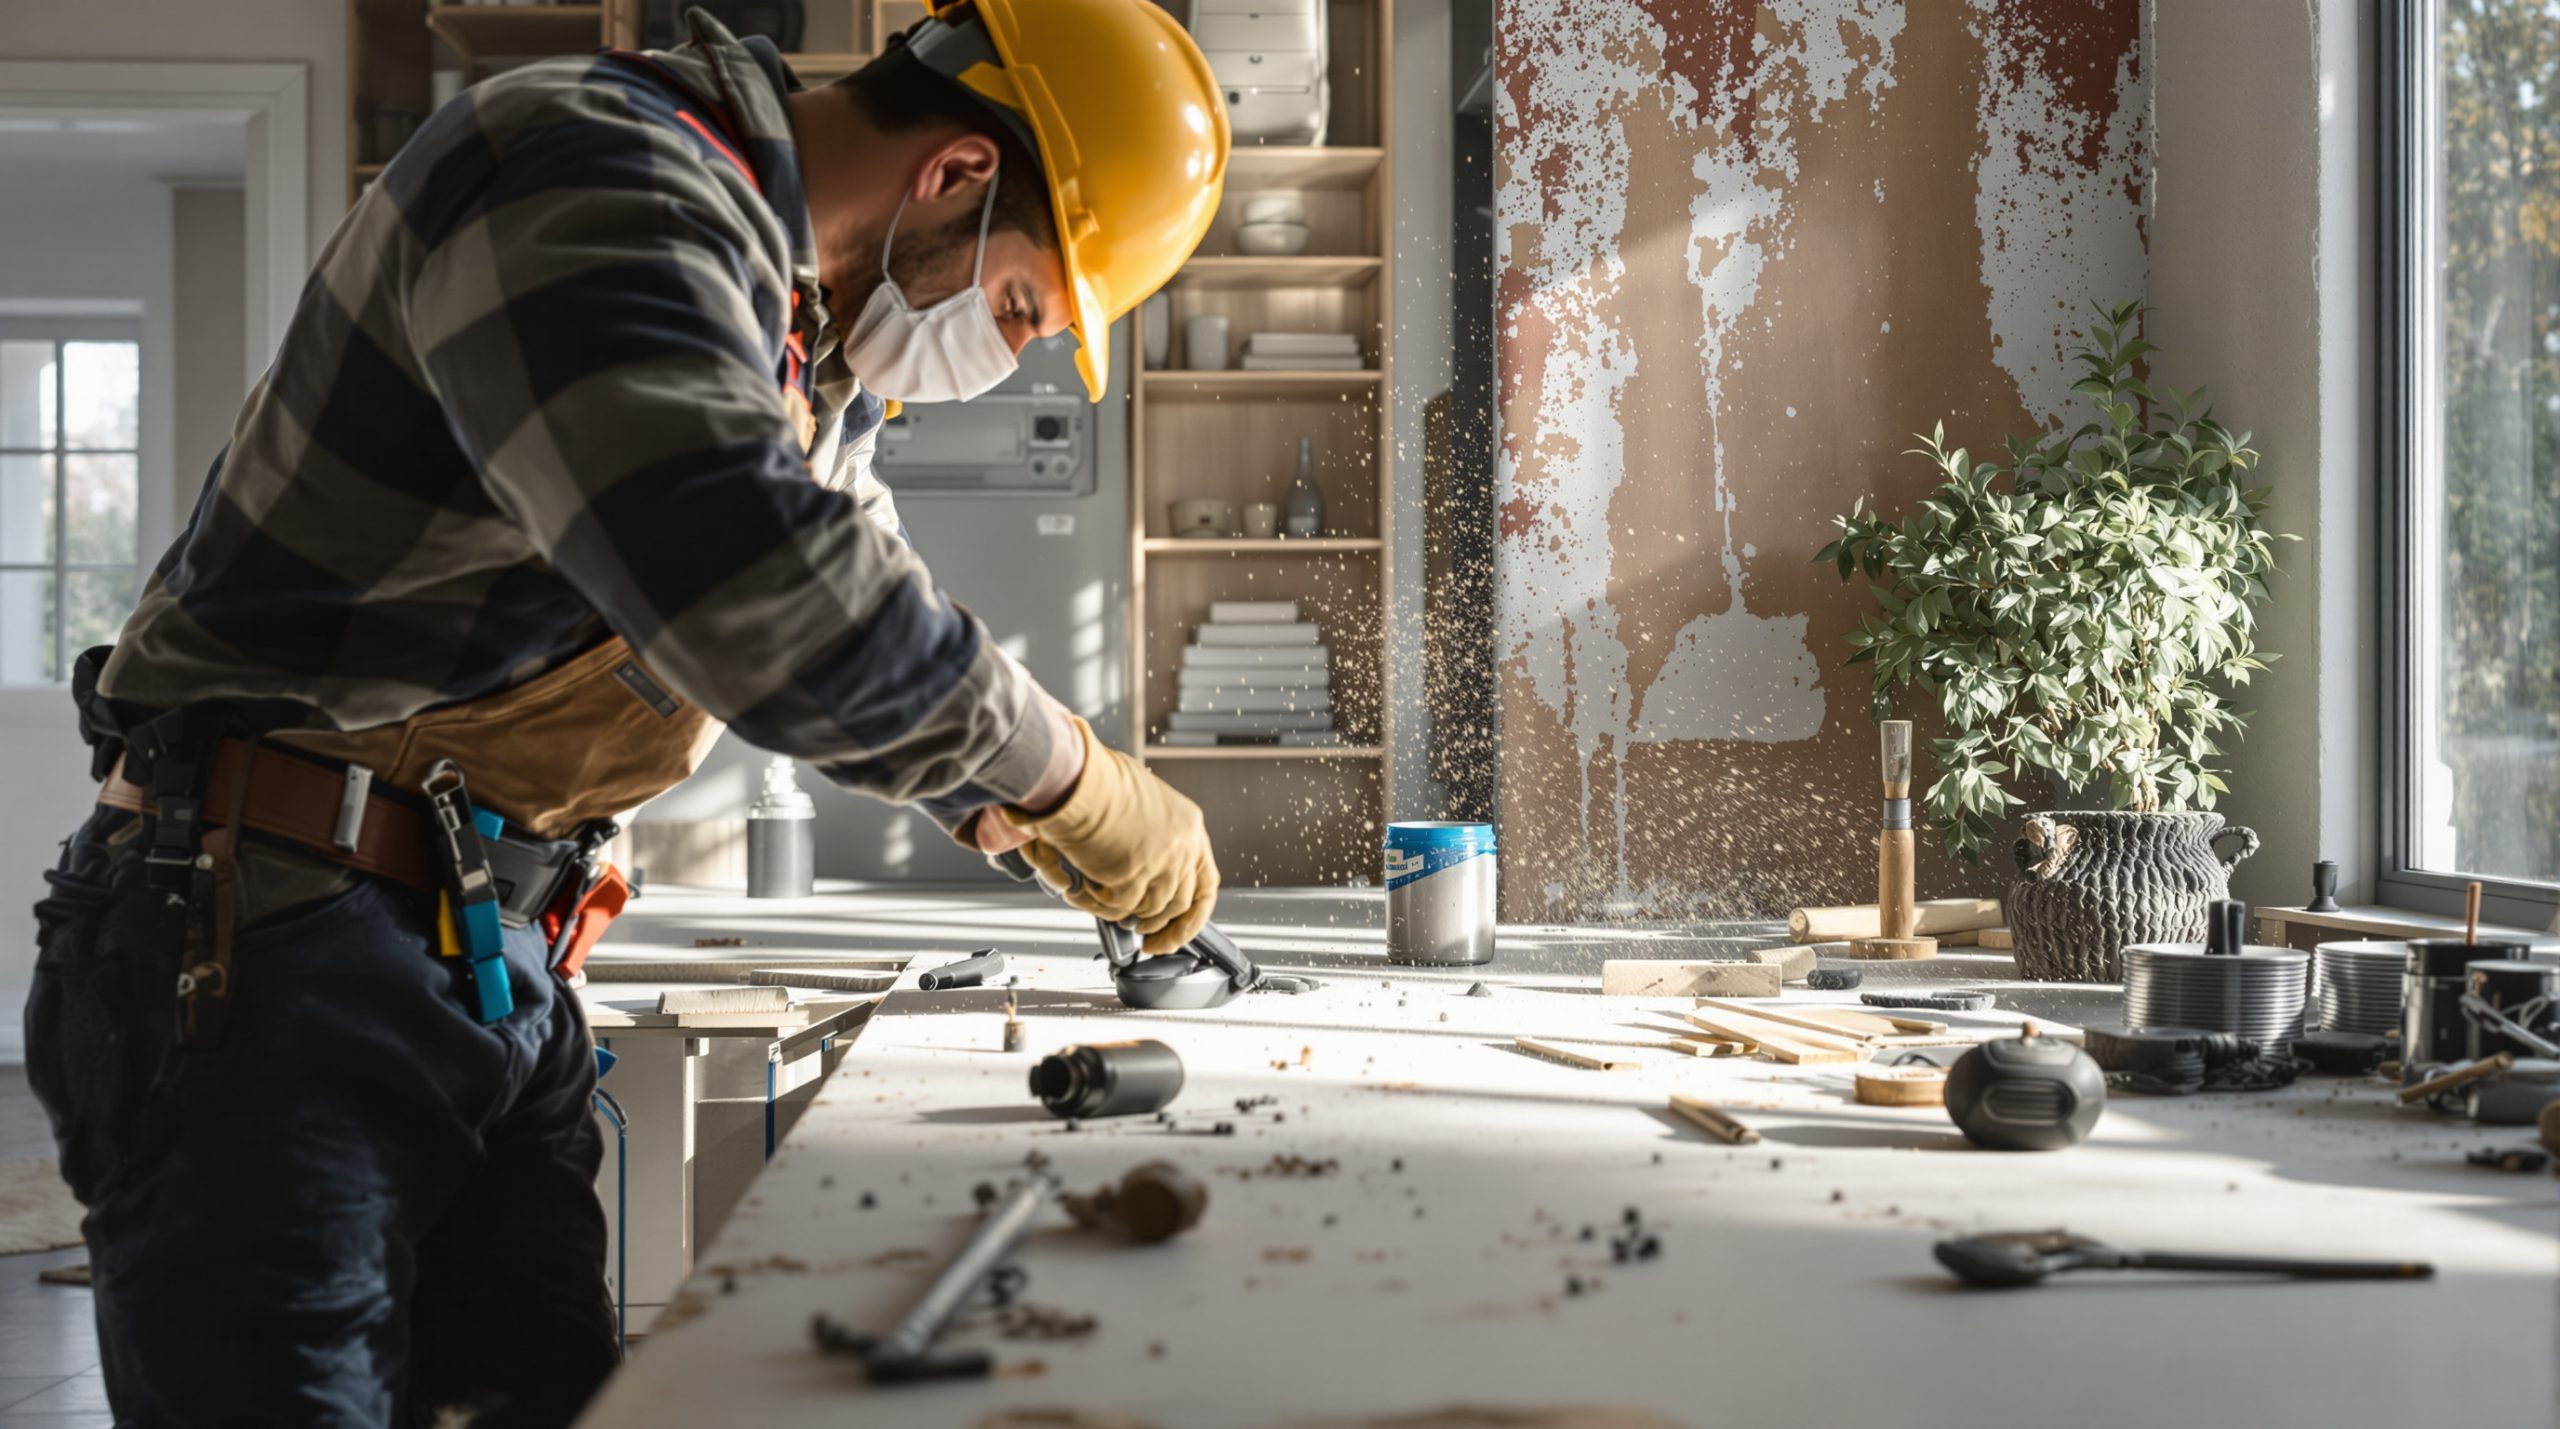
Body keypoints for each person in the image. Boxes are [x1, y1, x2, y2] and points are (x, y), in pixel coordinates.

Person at [25, 2, 1227, 1421]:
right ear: (956, 174)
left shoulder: (794, 335)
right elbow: (752, 576)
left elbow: (859, 565)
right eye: (1019, 307)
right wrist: (1073, 776)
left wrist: (1003, 802)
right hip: (270, 949)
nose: (1004, 355)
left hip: (470, 945)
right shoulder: (600, 178)